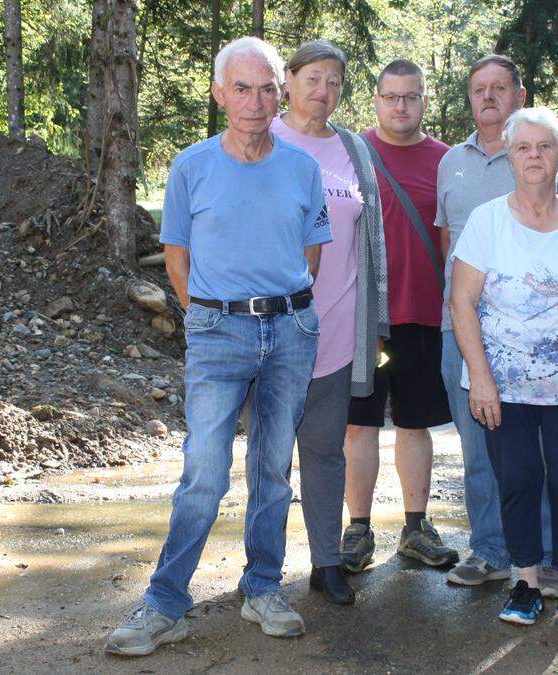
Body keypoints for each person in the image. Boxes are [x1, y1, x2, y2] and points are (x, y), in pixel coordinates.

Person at [105, 36, 332, 656]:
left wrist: (275, 303)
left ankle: (263, 588)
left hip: (290, 331)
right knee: (204, 472)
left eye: (265, 89)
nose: (255, 103)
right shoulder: (191, 166)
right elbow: (176, 259)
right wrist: (210, 316)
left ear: (279, 93)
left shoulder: (303, 169)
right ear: (218, 94)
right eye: (241, 88)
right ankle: (166, 602)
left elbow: (308, 256)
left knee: (272, 469)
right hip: (216, 333)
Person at [450, 106, 558, 632]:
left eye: (544, 146)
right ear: (509, 156)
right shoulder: (486, 222)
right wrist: (480, 376)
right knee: (519, 479)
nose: (533, 156)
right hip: (503, 386)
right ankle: (524, 583)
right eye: (523, 147)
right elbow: (461, 301)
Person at [435, 54, 558, 597]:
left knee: (537, 450)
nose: (490, 97)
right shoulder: (451, 161)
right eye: (480, 89)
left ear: (520, 95)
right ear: (470, 97)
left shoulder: (545, 152)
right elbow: (447, 245)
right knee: (478, 446)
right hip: (465, 328)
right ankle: (491, 550)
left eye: (501, 87)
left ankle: (542, 557)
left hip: (538, 337)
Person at [267, 40, 388, 606]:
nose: (323, 91)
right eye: (312, 78)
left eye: (334, 81)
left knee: (324, 450)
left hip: (338, 328)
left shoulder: (355, 151)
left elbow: (374, 240)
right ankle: (262, 571)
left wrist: (376, 321)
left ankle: (326, 562)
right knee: (269, 456)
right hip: (270, 331)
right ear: (288, 80)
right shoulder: (263, 138)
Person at [338, 59, 458, 574]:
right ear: (376, 100)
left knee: (415, 425)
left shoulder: (448, 161)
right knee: (358, 426)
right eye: (391, 96)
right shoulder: (351, 154)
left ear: (424, 101)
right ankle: (357, 530)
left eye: (411, 96)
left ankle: (415, 527)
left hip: (425, 316)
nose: (401, 106)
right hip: (364, 318)